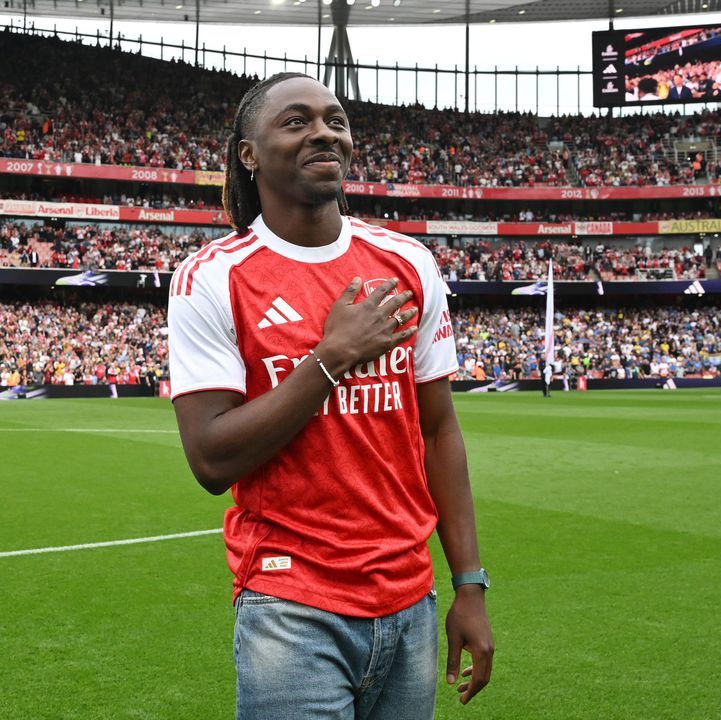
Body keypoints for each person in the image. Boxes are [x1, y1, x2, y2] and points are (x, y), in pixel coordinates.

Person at [167, 73, 493, 720]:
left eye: (335, 120)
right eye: (296, 121)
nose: (323, 132)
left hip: (411, 600)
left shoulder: (407, 263)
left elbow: (438, 433)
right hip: (289, 605)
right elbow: (210, 458)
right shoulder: (211, 278)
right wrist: (333, 355)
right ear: (248, 154)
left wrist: (469, 584)